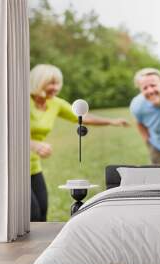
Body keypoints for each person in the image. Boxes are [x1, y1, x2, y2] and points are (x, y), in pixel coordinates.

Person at [30, 64, 129, 222]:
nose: (56, 88)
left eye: (57, 83)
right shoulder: (22, 101)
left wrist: (112, 121)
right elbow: (5, 130)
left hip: (33, 166)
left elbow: (83, 116)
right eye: (50, 83)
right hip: (15, 169)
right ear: (37, 82)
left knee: (42, 212)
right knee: (31, 214)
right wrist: (33, 145)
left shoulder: (55, 103)